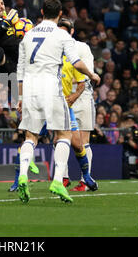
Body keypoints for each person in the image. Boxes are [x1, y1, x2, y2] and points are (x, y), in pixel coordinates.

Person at [16, 0, 100, 203]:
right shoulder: (62, 36)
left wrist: (20, 96)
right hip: (51, 88)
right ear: (60, 13)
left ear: (42, 11)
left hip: (30, 89)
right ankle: (57, 181)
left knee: (30, 136)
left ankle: (23, 175)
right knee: (64, 134)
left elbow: (20, 70)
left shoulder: (28, 35)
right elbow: (77, 63)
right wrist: (92, 74)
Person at [55, 18, 98, 192]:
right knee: (60, 138)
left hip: (82, 95)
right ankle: (63, 177)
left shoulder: (82, 47)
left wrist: (67, 79)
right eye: (60, 29)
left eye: (66, 29)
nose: (63, 32)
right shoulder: (53, 48)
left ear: (72, 31)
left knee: (83, 140)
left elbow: (87, 73)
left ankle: (84, 181)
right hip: (61, 96)